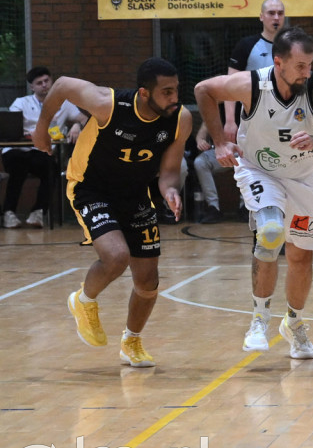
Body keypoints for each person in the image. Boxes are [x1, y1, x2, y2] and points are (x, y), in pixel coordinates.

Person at [194, 25, 313, 359]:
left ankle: (294, 323)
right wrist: (220, 140)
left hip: (303, 178)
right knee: (271, 231)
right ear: (278, 63)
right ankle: (259, 319)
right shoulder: (252, 85)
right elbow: (204, 90)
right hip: (259, 169)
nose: (307, 72)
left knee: (300, 256)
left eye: (310, 64)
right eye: (300, 66)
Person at [32, 58, 191, 368]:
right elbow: (62, 84)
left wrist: (170, 189)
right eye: (167, 92)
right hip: (90, 188)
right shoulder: (108, 104)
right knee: (116, 256)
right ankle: (83, 300)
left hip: (136, 193)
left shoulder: (180, 119)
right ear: (145, 93)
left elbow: (169, 171)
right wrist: (42, 129)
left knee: (148, 281)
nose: (175, 98)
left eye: (176, 90)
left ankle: (131, 341)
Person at [2, 66, 89, 228]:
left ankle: (38, 213)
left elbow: (84, 119)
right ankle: (8, 213)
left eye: (46, 81)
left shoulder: (64, 104)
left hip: (41, 152)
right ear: (32, 87)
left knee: (52, 169)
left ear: (52, 81)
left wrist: (77, 125)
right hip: (17, 151)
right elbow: (10, 126)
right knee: (18, 168)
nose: (44, 85)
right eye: (39, 83)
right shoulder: (21, 103)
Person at [223, 0, 286, 144]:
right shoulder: (246, 45)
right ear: (261, 17)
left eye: (280, 13)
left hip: (284, 116)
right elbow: (228, 86)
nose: (276, 17)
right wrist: (230, 121)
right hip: (252, 116)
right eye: (271, 13)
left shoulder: (292, 46)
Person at [192, 119, 232, 223]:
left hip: (243, 153)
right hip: (221, 152)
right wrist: (201, 141)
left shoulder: (246, 106)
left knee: (254, 160)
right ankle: (213, 207)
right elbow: (202, 132)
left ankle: (246, 207)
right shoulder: (217, 107)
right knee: (200, 162)